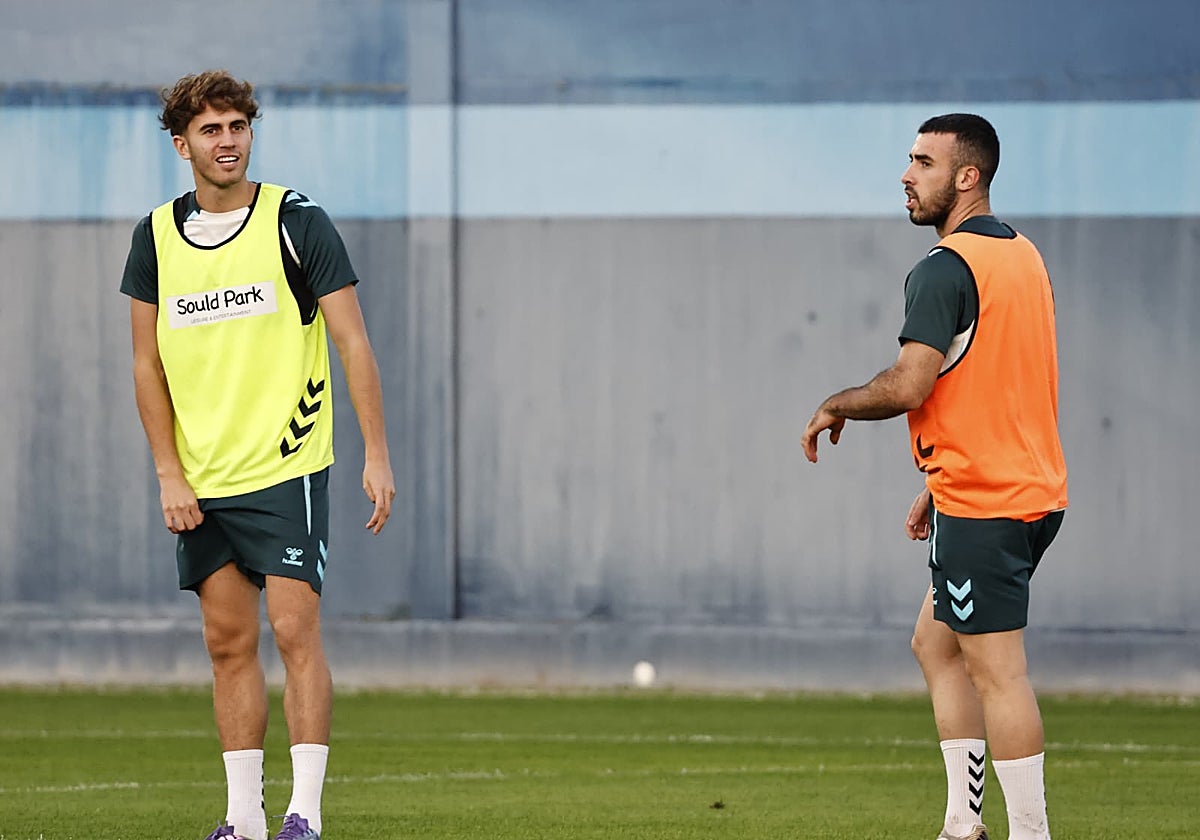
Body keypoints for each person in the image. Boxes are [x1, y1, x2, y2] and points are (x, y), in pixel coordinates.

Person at [121, 70, 396, 840]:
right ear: (182, 145)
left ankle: (304, 815)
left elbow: (352, 341)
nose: (228, 141)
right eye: (210, 130)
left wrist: (376, 452)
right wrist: (168, 473)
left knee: (294, 631)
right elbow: (145, 364)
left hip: (287, 466)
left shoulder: (296, 222)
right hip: (201, 478)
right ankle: (242, 820)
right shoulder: (155, 238)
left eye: (238, 126)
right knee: (227, 643)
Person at [800, 114, 1068, 840]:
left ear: (967, 176)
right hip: (1026, 491)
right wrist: (936, 479)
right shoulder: (1024, 256)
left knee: (999, 674)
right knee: (936, 644)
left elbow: (910, 383)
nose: (906, 174)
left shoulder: (944, 267)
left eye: (923, 162)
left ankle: (1031, 834)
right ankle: (961, 824)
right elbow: (1004, 383)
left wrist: (835, 403)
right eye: (910, 159)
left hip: (987, 502)